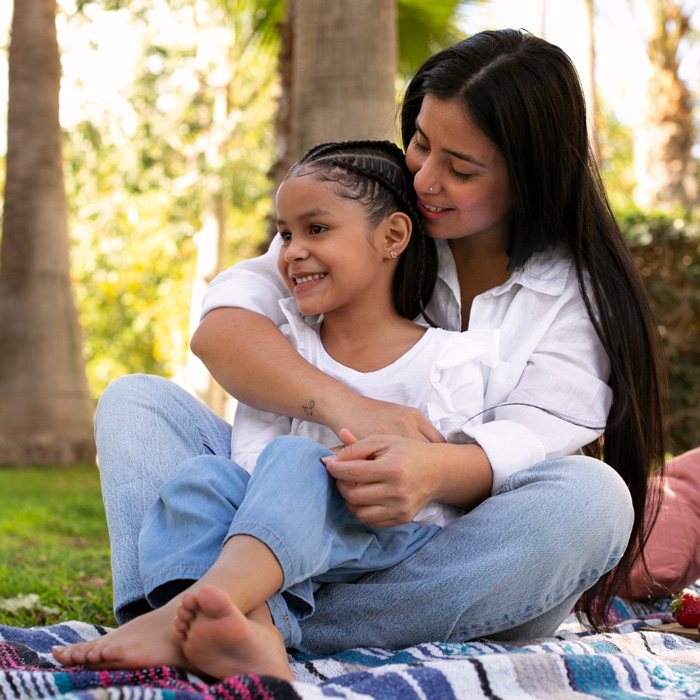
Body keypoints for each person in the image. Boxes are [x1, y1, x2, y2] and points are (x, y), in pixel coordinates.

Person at [56, 27, 665, 673]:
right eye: (421, 144)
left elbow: (527, 444)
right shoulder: (358, 223)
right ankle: (213, 615)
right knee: (138, 403)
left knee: (595, 498)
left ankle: (217, 615)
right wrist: (353, 410)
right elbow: (224, 327)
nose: (425, 179)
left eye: (460, 169)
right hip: (271, 521)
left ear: (530, 176)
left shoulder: (575, 297)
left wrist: (429, 472)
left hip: (429, 563)